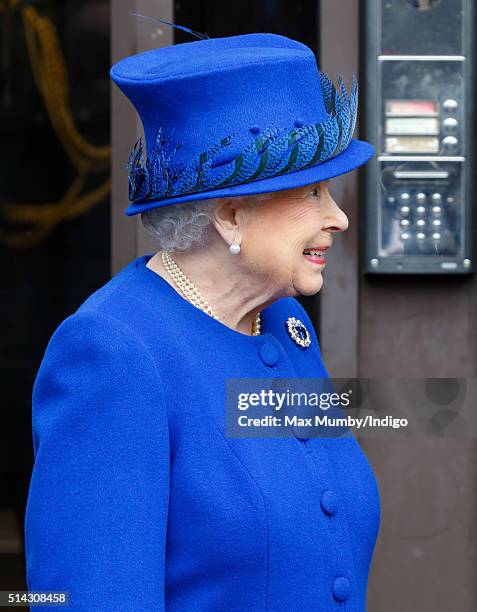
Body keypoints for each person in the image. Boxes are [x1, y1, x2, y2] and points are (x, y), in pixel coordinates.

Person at [24, 31, 381, 611]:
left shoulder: (285, 324)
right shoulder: (113, 352)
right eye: (312, 192)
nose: (337, 217)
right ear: (232, 216)